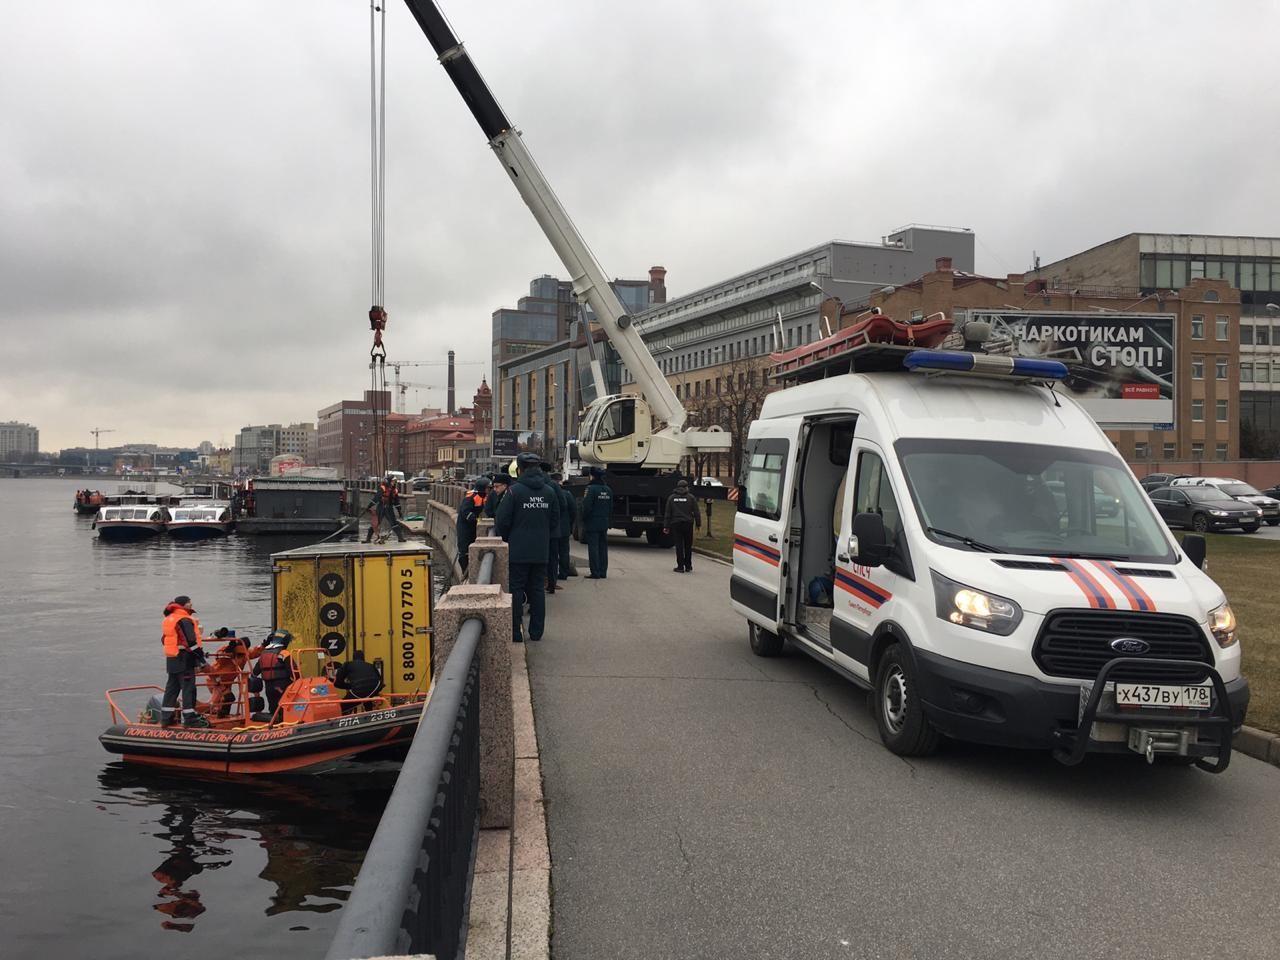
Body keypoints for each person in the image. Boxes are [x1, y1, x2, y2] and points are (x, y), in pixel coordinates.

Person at [495, 453, 560, 643]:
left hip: (518, 550)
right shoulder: (549, 491)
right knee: (538, 589)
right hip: (541, 550)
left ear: (520, 469)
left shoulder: (515, 492)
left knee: (516, 589)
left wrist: (508, 538)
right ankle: (537, 632)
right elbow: (555, 520)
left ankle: (516, 632)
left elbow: (502, 520)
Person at [160, 595, 209, 728]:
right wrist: (202, 660)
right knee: (188, 689)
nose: (191, 605)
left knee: (171, 689)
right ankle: (189, 718)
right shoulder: (184, 619)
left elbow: (164, 639)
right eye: (189, 603)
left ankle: (166, 718)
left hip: (172, 659)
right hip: (185, 659)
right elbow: (191, 643)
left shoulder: (169, 619)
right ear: (184, 605)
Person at [202, 628, 262, 718]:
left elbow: (254, 652)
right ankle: (210, 713)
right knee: (227, 698)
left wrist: (264, 645)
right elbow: (219, 656)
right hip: (215, 681)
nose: (241, 655)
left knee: (227, 700)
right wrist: (229, 651)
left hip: (227, 681)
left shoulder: (245, 654)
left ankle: (222, 715)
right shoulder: (227, 651)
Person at [251, 630, 296, 718]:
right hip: (282, 687)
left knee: (273, 709)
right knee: (284, 709)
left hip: (269, 688)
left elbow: (255, 672)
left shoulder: (263, 654)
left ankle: (275, 724)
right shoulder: (284, 654)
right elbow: (294, 672)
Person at [580, 467, 612, 579]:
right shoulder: (608, 489)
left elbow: (586, 506)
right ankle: (603, 572)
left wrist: (583, 518)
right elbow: (611, 507)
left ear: (592, 476)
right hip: (604, 521)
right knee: (603, 547)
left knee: (593, 547)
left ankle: (595, 572)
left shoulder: (590, 489)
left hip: (592, 522)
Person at [664, 478, 702, 572]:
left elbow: (668, 513)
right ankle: (688, 566)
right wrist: (698, 524)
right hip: (688, 524)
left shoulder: (672, 498)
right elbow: (696, 512)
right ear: (686, 487)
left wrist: (666, 526)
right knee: (688, 545)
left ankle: (680, 567)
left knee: (679, 545)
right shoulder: (691, 497)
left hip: (676, 524)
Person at [456, 478, 489, 574]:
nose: (489, 490)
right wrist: (476, 519)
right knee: (464, 549)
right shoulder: (471, 497)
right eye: (487, 488)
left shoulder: (483, 496)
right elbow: (465, 511)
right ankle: (465, 570)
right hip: (464, 526)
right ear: (483, 488)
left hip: (472, 525)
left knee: (472, 543)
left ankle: (471, 568)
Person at [366, 474, 406, 542]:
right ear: (389, 481)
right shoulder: (383, 488)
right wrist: (369, 506)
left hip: (389, 508)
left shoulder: (395, 490)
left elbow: (397, 502)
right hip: (381, 507)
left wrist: (399, 511)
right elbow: (376, 498)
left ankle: (400, 538)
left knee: (394, 523)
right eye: (393, 481)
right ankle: (368, 539)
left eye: (395, 482)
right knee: (376, 523)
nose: (394, 483)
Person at [541, 464, 562, 593]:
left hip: (538, 531)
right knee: (553, 558)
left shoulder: (528, 486)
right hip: (553, 531)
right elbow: (561, 505)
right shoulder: (553, 485)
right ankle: (552, 583)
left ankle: (541, 582)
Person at [555, 473, 576, 579]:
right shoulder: (567, 494)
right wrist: (569, 523)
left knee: (553, 553)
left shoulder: (549, 493)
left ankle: (552, 574)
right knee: (564, 552)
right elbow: (573, 511)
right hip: (564, 528)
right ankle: (564, 573)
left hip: (553, 529)